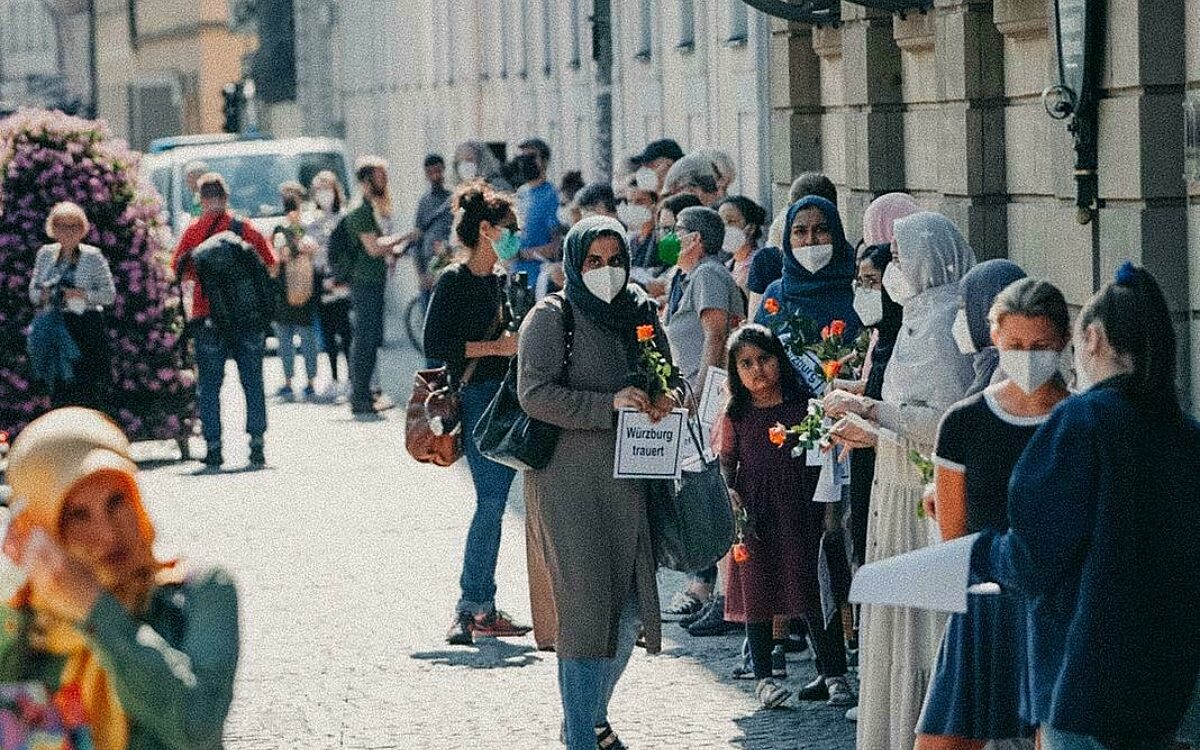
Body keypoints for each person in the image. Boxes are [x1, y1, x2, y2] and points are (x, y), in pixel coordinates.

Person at [970, 263, 1200, 750]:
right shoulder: (1184, 432)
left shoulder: (1083, 420)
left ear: (1092, 338)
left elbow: (1033, 556)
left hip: (1085, 678)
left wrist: (980, 552)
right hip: (1169, 681)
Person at [516, 215, 676, 750]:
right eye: (594, 262)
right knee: (585, 612)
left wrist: (666, 398)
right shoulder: (550, 318)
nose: (606, 272)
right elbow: (534, 393)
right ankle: (582, 735)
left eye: (615, 261)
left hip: (633, 480)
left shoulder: (641, 312)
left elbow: (669, 377)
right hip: (569, 484)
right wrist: (604, 405)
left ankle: (587, 716)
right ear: (576, 264)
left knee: (630, 608)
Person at [823, 211, 976, 747]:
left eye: (900, 259)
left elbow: (944, 422)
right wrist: (869, 412)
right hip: (893, 481)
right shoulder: (915, 316)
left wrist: (875, 418)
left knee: (922, 628)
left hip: (921, 490)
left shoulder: (944, 325)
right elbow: (902, 410)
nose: (892, 269)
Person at [2, 407, 239, 750]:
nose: (109, 533)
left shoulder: (201, 591)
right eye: (78, 515)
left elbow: (198, 728)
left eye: (117, 502)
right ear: (42, 525)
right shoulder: (22, 625)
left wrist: (95, 611)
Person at [916, 278, 1072, 749]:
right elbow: (954, 543)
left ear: (1064, 341)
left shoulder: (1083, 421)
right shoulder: (963, 423)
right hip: (986, 609)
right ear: (995, 339)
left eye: (1040, 345)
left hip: (1060, 612)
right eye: (1016, 344)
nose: (1028, 355)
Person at [716, 324, 854, 708]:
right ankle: (763, 678)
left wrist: (829, 512)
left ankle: (834, 674)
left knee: (812, 588)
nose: (757, 369)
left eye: (764, 359)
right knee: (758, 590)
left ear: (779, 359)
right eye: (746, 363)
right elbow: (728, 460)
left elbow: (825, 459)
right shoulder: (737, 414)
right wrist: (729, 492)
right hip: (756, 514)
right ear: (735, 371)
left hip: (801, 509)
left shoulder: (804, 406)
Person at [422, 181, 531, 646]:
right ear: (485, 229)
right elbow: (435, 346)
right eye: (509, 229)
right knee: (491, 502)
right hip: (477, 398)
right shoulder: (454, 280)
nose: (515, 236)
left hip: (507, 397)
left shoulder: (500, 281)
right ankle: (471, 606)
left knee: (495, 501)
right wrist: (497, 346)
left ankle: (480, 603)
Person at [171, 172, 276, 468]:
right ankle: (257, 444)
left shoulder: (193, 233)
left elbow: (178, 270)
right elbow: (270, 263)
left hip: (208, 317)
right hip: (246, 319)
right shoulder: (245, 229)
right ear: (227, 197)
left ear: (200, 200)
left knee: (210, 386)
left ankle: (214, 447)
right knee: (252, 382)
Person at [27, 202, 116, 411]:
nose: (68, 232)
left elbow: (109, 295)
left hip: (85, 326)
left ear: (82, 229)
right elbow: (33, 293)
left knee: (86, 386)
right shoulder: (45, 254)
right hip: (54, 327)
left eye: (74, 226)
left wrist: (83, 295)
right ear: (53, 229)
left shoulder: (92, 256)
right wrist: (45, 294)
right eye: (62, 226)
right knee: (58, 387)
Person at [343, 157, 404, 418]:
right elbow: (374, 247)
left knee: (369, 338)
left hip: (372, 281)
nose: (385, 182)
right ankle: (360, 398)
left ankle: (366, 394)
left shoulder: (370, 209)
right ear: (367, 180)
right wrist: (405, 237)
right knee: (365, 340)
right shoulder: (360, 212)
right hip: (364, 283)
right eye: (380, 177)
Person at [748, 172, 840, 307]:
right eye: (801, 231)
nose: (810, 240)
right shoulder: (769, 264)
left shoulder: (848, 263)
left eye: (821, 229)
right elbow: (757, 322)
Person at [271, 181, 320, 401]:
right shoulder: (299, 228)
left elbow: (279, 255)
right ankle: (303, 381)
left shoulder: (288, 229)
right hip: (296, 290)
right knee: (299, 337)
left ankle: (299, 381)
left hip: (288, 290)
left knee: (291, 338)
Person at [307, 170, 353, 401]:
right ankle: (334, 377)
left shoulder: (344, 217)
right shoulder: (310, 221)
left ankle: (352, 378)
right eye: (319, 189)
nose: (324, 194)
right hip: (320, 283)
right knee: (327, 332)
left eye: (327, 188)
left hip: (341, 282)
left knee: (345, 331)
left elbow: (346, 252)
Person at [952, 259, 1028, 396]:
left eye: (963, 306)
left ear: (986, 309)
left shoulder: (1004, 380)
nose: (958, 317)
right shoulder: (992, 368)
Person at [398, 154, 453, 307]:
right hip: (426, 276)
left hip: (447, 270)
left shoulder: (453, 200)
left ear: (443, 171)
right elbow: (417, 239)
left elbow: (456, 240)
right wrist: (421, 276)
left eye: (438, 171)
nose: (435, 176)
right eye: (430, 172)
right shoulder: (424, 202)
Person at [514, 137, 562, 291]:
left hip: (539, 279)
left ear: (544, 161)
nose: (524, 163)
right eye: (522, 157)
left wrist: (523, 254)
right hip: (516, 277)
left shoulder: (551, 196)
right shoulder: (520, 194)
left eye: (530, 157)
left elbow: (556, 246)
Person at [716, 195, 767, 291]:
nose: (724, 229)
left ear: (751, 228)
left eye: (731, 221)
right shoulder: (728, 266)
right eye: (720, 223)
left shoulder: (761, 264)